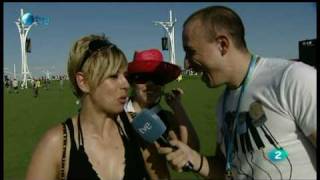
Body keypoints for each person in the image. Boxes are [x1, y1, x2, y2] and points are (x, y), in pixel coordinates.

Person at [157, 5, 316, 180]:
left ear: (222, 45)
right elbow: (227, 170)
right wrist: (195, 159)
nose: (187, 64)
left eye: (191, 52)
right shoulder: (223, 102)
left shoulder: (293, 79)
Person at [26, 34, 150, 180]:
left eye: (126, 76)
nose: (126, 85)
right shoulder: (56, 145)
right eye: (113, 76)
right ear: (83, 82)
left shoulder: (137, 128)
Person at [125, 49, 200, 179]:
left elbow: (191, 150)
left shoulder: (165, 117)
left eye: (157, 78)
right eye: (142, 77)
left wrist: (177, 107)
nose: (151, 84)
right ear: (131, 82)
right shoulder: (116, 115)